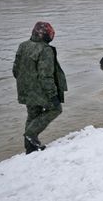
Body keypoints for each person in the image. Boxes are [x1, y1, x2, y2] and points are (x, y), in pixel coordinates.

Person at [13, 22, 67, 154]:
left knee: (33, 115)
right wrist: (53, 95)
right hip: (40, 90)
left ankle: (30, 149)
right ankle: (31, 134)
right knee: (56, 109)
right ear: (46, 35)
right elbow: (46, 76)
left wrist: (25, 83)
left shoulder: (23, 45)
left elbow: (15, 70)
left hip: (25, 89)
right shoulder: (45, 50)